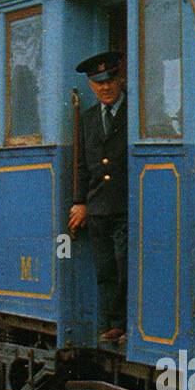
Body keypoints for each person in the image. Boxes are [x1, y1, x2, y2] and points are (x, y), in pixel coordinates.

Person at [67, 49, 129, 343]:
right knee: (105, 268)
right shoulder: (89, 119)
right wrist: (80, 202)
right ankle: (113, 324)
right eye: (99, 83)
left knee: (124, 262)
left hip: (126, 204)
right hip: (98, 206)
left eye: (111, 80)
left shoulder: (135, 115)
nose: (105, 87)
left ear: (121, 78)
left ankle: (128, 323)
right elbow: (81, 164)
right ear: (92, 86)